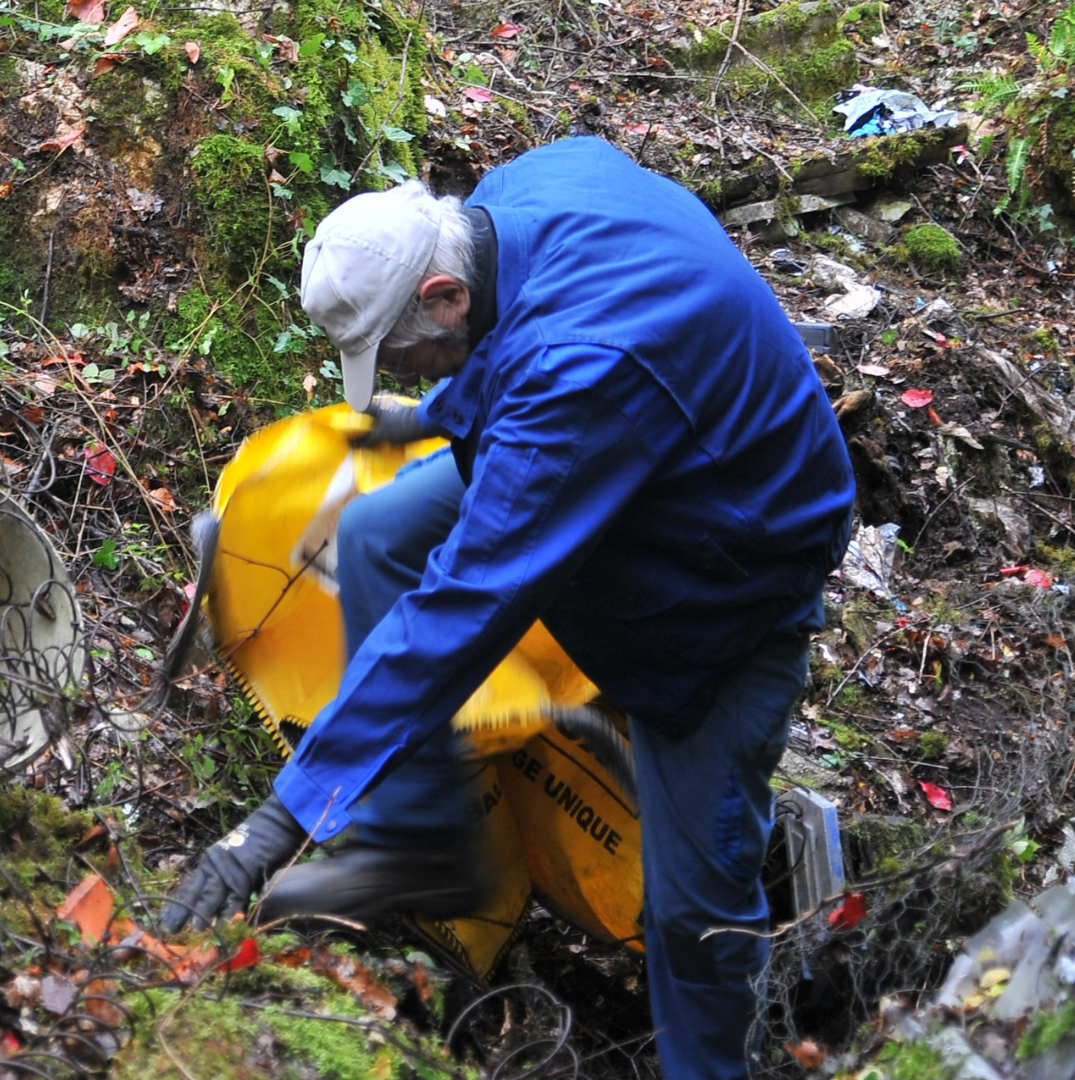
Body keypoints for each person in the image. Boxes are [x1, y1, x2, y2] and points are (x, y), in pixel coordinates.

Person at [159, 136, 856, 1080]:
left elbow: (464, 607)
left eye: (404, 352)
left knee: (690, 914)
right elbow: (511, 351)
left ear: (443, 292)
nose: (407, 369)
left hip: (725, 568)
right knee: (378, 535)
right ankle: (423, 844)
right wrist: (438, 415)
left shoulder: (578, 374)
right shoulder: (514, 198)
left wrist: (278, 822)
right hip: (632, 440)